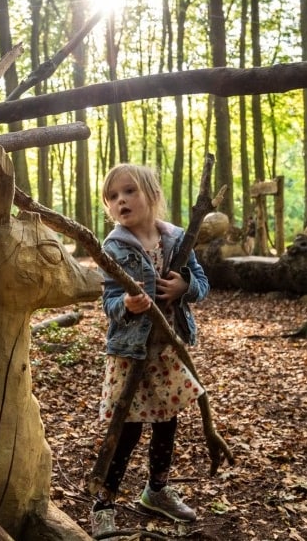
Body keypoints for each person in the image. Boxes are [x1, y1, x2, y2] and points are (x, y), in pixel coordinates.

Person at [91, 163, 210, 535]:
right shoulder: (113, 247)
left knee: (167, 421)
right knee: (127, 427)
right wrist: (126, 306)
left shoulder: (177, 239)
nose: (121, 201)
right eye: (113, 196)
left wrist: (184, 287)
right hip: (131, 352)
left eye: (129, 191)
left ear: (153, 194)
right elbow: (108, 301)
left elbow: (202, 282)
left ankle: (156, 490)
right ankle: (104, 502)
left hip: (167, 350)